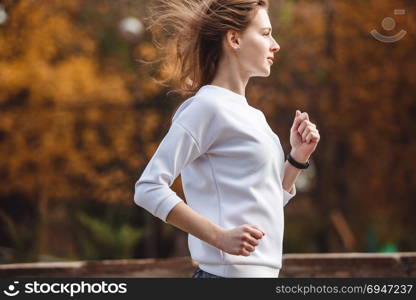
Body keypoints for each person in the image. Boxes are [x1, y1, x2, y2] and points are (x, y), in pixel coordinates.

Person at [134, 0, 320, 278]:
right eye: (266, 33)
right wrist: (219, 237)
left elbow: (263, 202)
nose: (275, 44)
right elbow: (148, 188)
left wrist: (297, 158)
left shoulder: (254, 116)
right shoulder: (206, 107)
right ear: (234, 39)